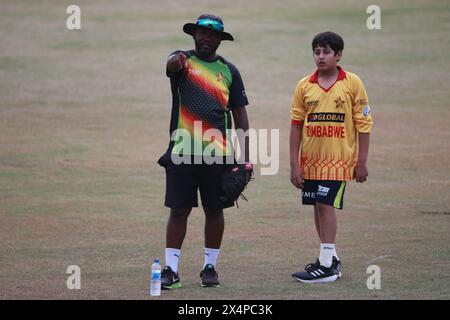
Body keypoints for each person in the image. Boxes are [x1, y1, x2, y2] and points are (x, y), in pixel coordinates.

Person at [157, 14, 252, 289]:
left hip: (218, 153)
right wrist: (175, 59)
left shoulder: (229, 71)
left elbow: (240, 116)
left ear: (220, 40)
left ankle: (210, 267)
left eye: (212, 35)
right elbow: (171, 62)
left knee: (214, 210)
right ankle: (170, 270)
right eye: (201, 33)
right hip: (182, 150)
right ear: (194, 35)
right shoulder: (183, 62)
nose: (206, 39)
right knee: (179, 210)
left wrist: (245, 158)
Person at [289, 31, 373, 283]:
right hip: (310, 162)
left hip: (339, 162)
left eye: (326, 52)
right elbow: (295, 126)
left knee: (325, 205)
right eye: (317, 52)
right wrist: (295, 164)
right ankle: (331, 258)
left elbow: (364, 124)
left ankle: (325, 266)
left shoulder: (352, 83)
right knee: (316, 206)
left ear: (338, 55)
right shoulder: (304, 85)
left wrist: (361, 161)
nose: (321, 57)